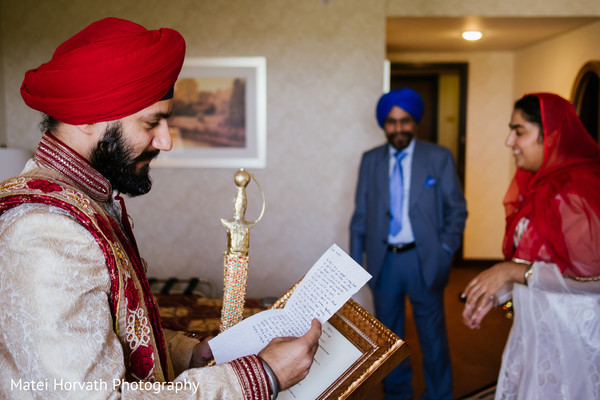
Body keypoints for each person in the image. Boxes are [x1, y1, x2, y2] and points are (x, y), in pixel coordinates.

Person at [0, 17, 321, 399]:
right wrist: (258, 376)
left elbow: (108, 332)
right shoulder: (44, 230)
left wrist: (191, 354)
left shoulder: (82, 201)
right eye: (152, 122)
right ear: (87, 117)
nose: (166, 141)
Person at [461, 93, 600, 399]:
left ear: (551, 135)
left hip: (574, 338)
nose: (509, 141)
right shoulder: (539, 186)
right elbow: (538, 263)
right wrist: (497, 294)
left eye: (519, 131)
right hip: (537, 332)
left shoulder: (578, 191)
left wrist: (511, 273)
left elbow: (595, 279)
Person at [350, 88, 467, 400]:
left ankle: (439, 394)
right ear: (383, 124)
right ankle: (397, 393)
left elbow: (457, 210)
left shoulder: (438, 157)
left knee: (433, 336)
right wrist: (352, 266)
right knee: (389, 338)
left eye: (404, 121)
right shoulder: (370, 160)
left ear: (414, 122)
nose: (398, 128)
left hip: (424, 260)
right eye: (391, 122)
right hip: (383, 262)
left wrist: (444, 251)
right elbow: (360, 216)